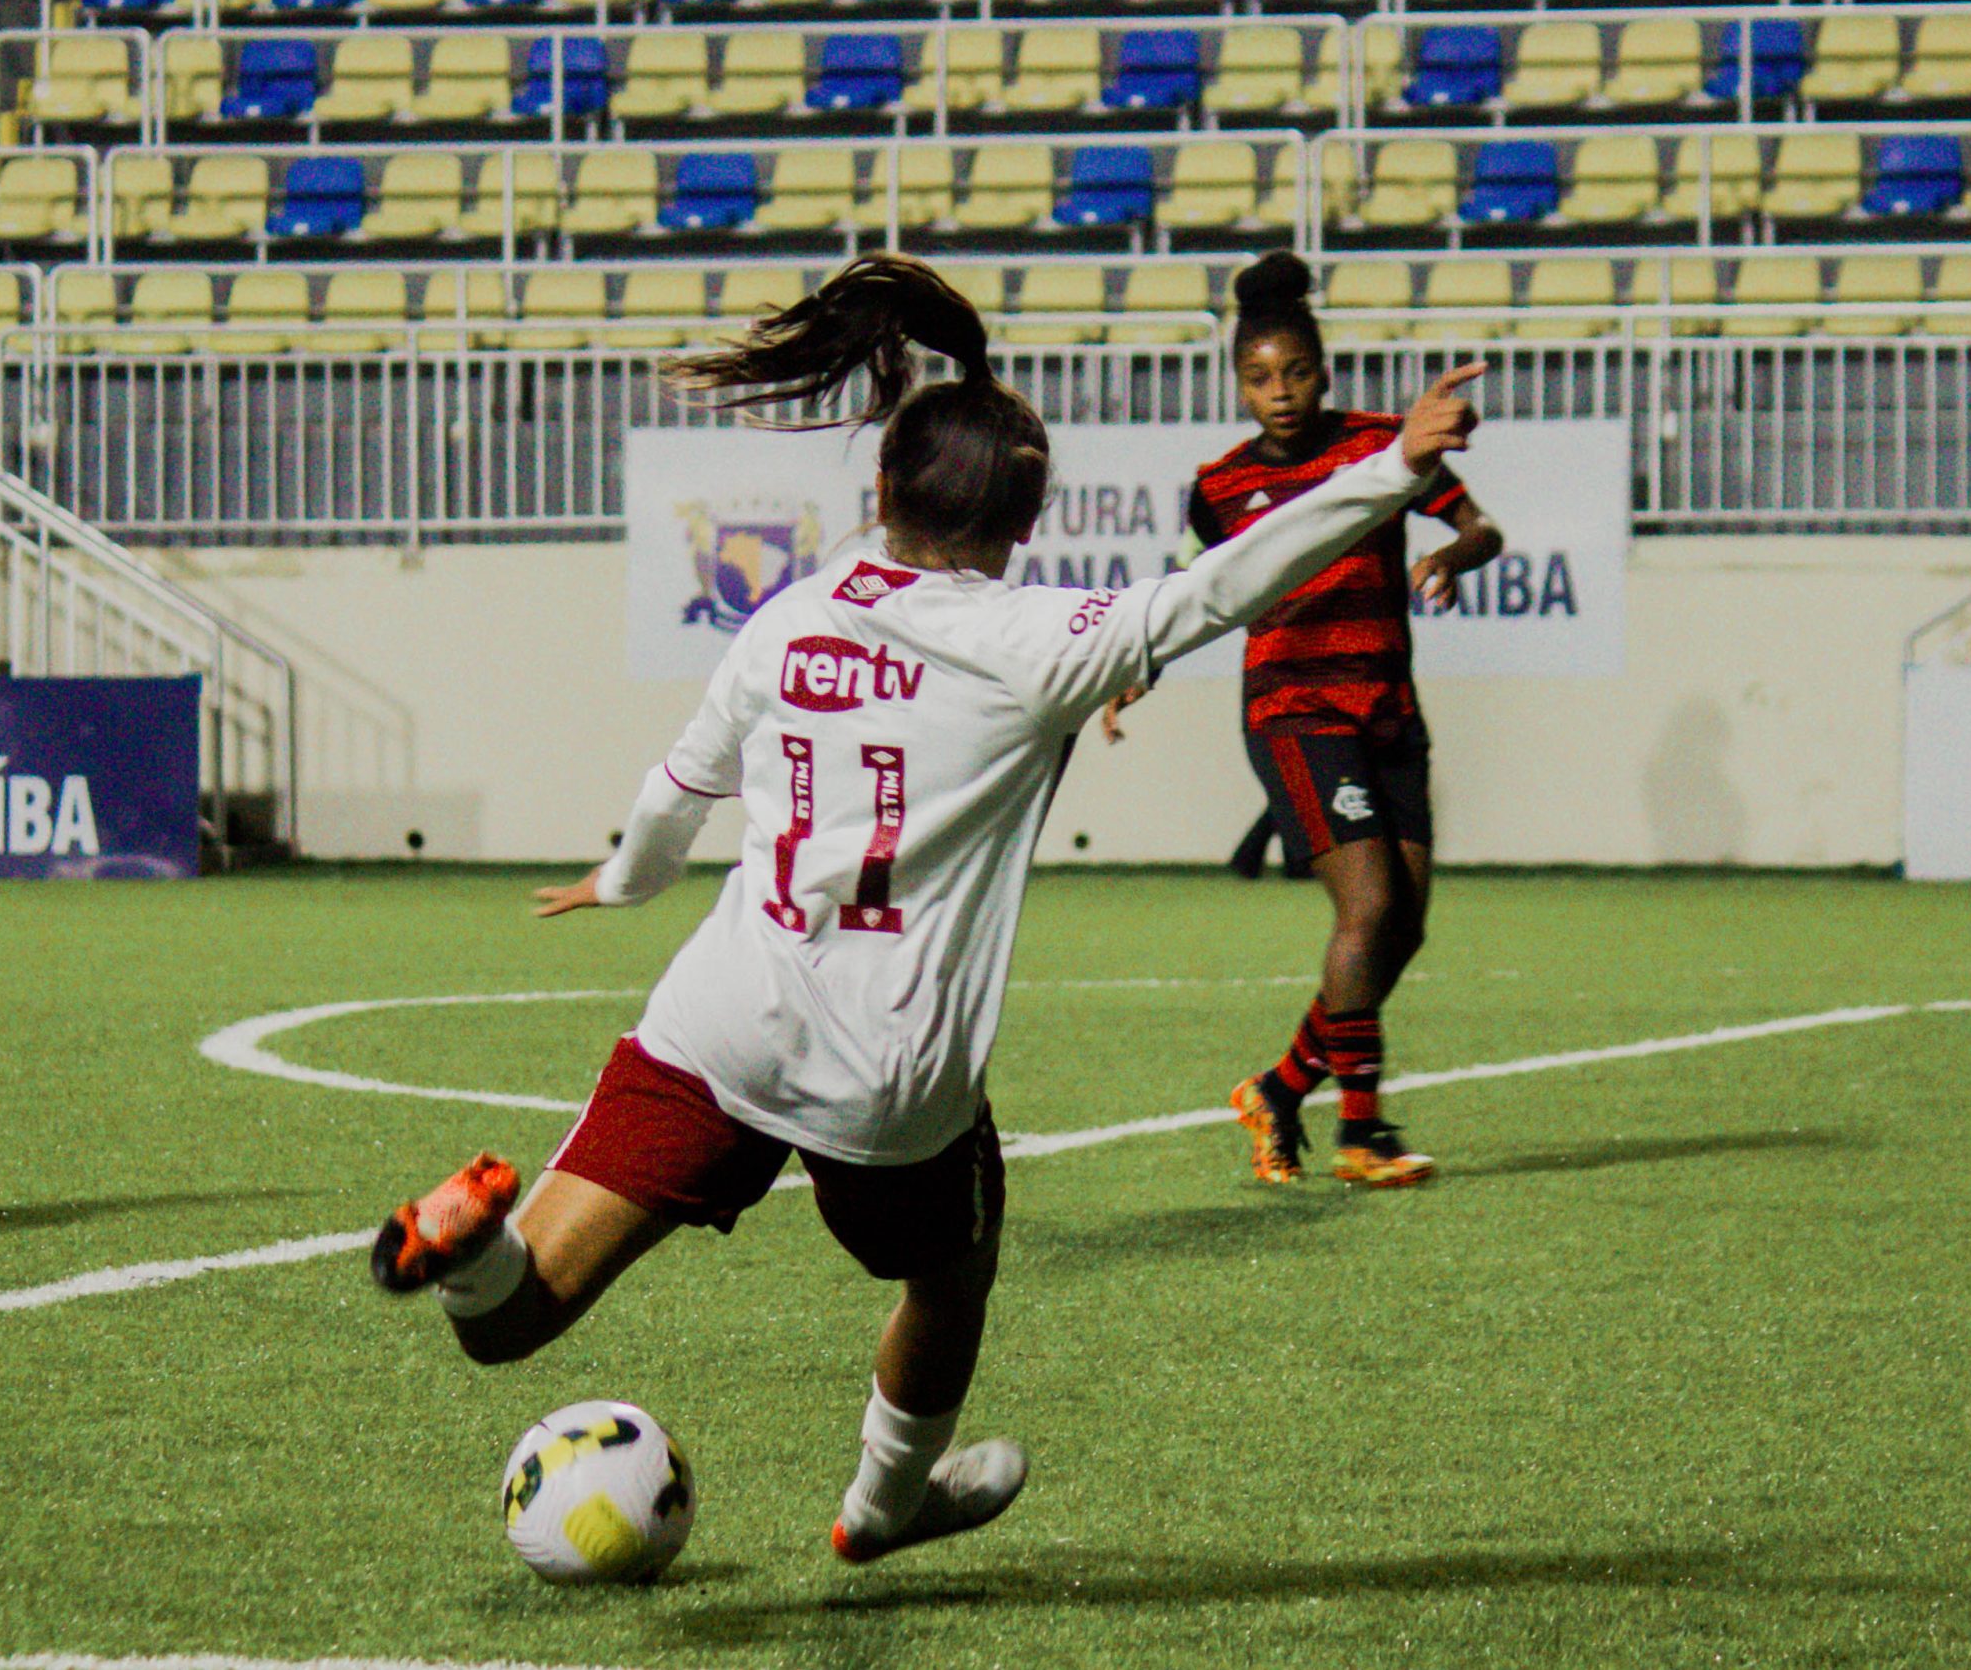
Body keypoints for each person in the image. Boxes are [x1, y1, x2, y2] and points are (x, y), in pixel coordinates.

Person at [367, 252, 1483, 1562]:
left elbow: (677, 792)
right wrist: (1397, 465)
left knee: (514, 1317)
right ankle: (886, 1503)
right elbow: (1225, 584)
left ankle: (463, 1251)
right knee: (951, 1270)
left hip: (717, 1022)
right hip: (884, 1075)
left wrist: (623, 880)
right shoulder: (1045, 645)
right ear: (1023, 526)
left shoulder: (790, 617)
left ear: (881, 492)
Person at [1104, 252, 1505, 1191]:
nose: (1278, 393)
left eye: (1294, 373)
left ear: (1325, 372)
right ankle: (1362, 1132)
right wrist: (1139, 667)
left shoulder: (1383, 441)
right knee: (1367, 909)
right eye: (1257, 376)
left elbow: (1481, 524)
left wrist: (1461, 550)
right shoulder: (1219, 484)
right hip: (1292, 710)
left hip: (1389, 710)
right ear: (1236, 381)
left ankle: (1280, 1090)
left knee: (1400, 929)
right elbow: (1193, 596)